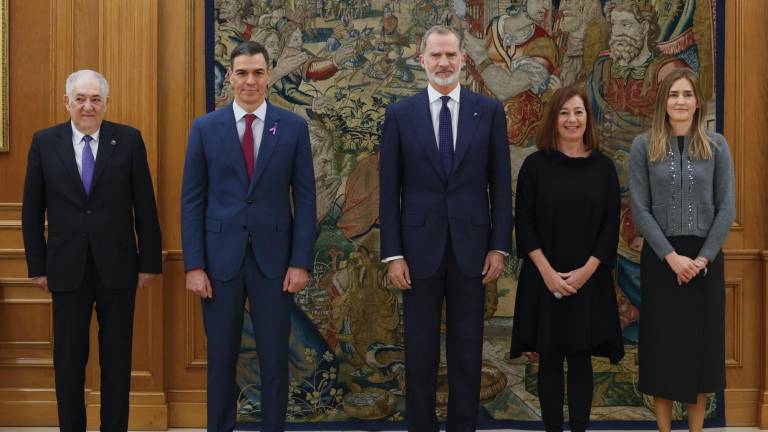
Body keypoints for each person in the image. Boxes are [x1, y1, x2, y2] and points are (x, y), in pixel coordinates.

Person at [379, 25, 513, 431]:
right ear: (422, 60)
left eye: (450, 55)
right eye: (435, 55)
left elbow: (501, 185)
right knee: (419, 351)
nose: (443, 62)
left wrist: (499, 247)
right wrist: (393, 253)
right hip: (417, 252)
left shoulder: (488, 112)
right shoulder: (400, 115)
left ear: (463, 60)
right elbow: (390, 191)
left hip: (472, 249)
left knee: (467, 351)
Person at [181, 41, 317, 432]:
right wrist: (194, 265)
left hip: (275, 263)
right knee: (222, 359)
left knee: (275, 358)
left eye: (258, 72)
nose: (250, 81)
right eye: (242, 73)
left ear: (269, 75)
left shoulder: (292, 128)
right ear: (231, 77)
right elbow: (191, 201)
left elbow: (305, 201)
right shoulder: (205, 128)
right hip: (219, 262)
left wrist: (300, 261)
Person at [21, 69, 162, 431]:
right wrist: (37, 266)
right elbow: (31, 210)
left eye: (95, 99)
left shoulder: (128, 141)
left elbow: (145, 206)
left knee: (116, 362)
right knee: (68, 363)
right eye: (80, 99)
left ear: (106, 103)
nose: (88, 106)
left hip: (118, 268)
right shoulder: (44, 142)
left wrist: (149, 263)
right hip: (65, 270)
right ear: (67, 102)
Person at [510, 86, 624, 432]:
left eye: (578, 112)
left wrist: (586, 272)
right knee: (549, 359)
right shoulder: (534, 165)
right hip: (544, 277)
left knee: (580, 358)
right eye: (564, 113)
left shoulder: (603, 168)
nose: (571, 120)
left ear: (587, 118)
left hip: (588, 279)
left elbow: (610, 226)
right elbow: (524, 223)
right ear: (553, 119)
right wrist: (547, 272)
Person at [630, 68, 734, 432]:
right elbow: (640, 209)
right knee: (662, 349)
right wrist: (671, 257)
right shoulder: (644, 146)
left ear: (697, 101)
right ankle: (663, 429)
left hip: (705, 260)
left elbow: (727, 208)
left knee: (700, 350)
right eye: (673, 94)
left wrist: (702, 259)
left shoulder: (717, 145)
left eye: (687, 94)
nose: (680, 101)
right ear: (663, 102)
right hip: (662, 259)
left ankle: (696, 429)